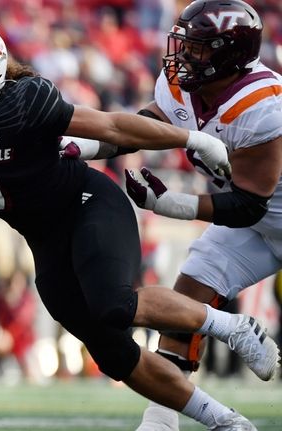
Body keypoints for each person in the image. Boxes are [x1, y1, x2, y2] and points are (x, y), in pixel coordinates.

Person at [0, 21, 278, 430]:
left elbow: (113, 126)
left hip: (87, 205)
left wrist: (189, 141)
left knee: (115, 303)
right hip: (42, 237)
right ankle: (227, 422)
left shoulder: (23, 102)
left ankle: (233, 326)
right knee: (112, 353)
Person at [108, 1, 282, 429]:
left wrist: (171, 205)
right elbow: (149, 123)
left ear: (228, 53)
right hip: (256, 225)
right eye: (184, 43)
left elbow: (247, 202)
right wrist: (90, 147)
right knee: (184, 300)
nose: (184, 55)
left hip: (253, 209)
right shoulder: (182, 84)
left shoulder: (263, 104)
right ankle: (161, 418)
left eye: (198, 48)